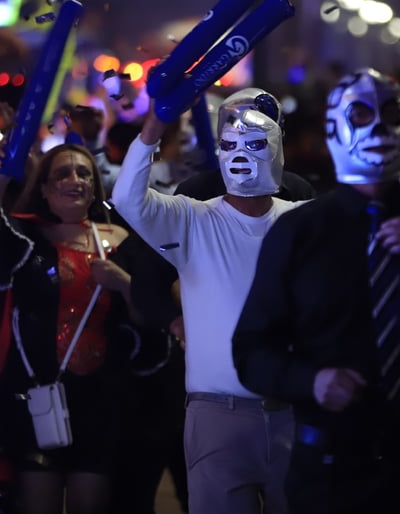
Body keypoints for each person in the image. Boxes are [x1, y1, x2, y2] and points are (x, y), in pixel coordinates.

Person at [232, 72, 400, 513]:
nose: (379, 128)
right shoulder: (300, 231)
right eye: (360, 115)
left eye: (389, 115)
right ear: (333, 128)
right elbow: (252, 350)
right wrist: (312, 381)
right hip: (332, 471)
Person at [111, 89, 304, 514]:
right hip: (219, 413)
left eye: (255, 142)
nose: (241, 154)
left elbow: (373, 224)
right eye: (230, 143)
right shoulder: (193, 217)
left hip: (291, 410)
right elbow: (127, 200)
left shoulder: (299, 219)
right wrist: (152, 128)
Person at [0, 143, 140, 514]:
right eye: (61, 173)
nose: (74, 180)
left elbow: (149, 315)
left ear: (95, 187)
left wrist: (124, 282)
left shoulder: (122, 242)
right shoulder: (28, 240)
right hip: (40, 400)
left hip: (101, 402)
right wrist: (1, 174)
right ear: (43, 189)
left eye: (83, 173)